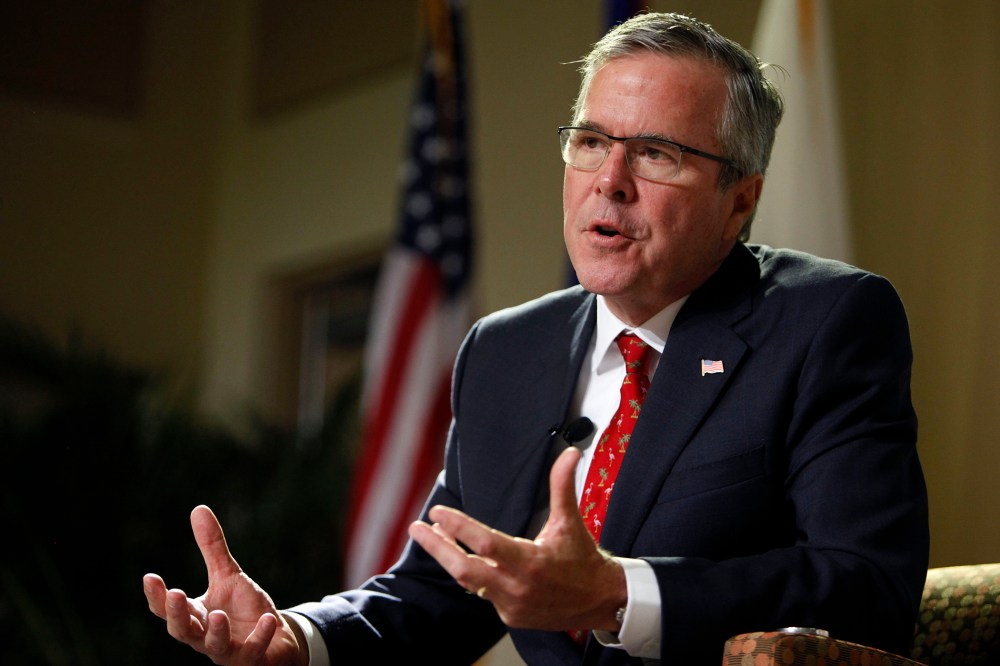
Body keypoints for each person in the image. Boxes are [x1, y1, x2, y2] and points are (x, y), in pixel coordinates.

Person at [143, 12, 929, 665]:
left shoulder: (827, 322)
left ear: (740, 201)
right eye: (590, 141)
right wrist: (299, 635)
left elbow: (868, 587)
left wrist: (617, 594)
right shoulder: (506, 352)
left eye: (657, 154)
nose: (609, 180)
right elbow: (443, 587)